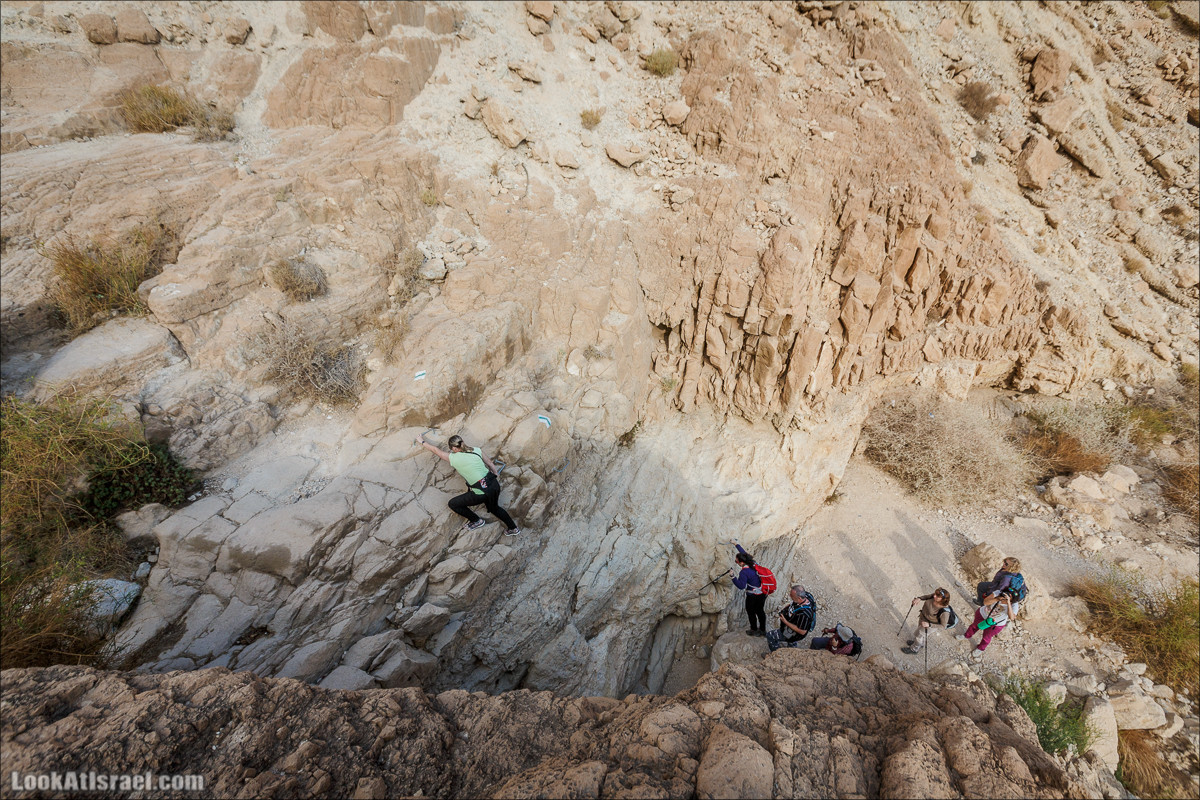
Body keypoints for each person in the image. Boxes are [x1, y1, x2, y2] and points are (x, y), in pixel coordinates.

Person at [415, 434, 520, 536]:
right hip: (494, 485)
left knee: (453, 504)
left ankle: (476, 520)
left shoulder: (454, 458)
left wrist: (422, 441)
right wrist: (495, 473)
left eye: (451, 449)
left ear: (454, 449)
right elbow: (490, 463)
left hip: (481, 493)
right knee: (495, 508)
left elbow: (435, 450)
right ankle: (513, 528)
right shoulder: (476, 450)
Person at [960, 591, 1018, 660]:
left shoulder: (1014, 605)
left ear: (1012, 599)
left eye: (1009, 596)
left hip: (995, 624)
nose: (1006, 595)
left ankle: (980, 648)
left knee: (987, 636)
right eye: (1007, 592)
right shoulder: (998, 593)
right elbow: (985, 602)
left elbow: (1012, 617)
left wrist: (1008, 603)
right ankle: (966, 635)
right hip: (983, 614)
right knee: (974, 626)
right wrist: (998, 599)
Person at [730, 543, 767, 636]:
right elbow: (744, 553)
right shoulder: (753, 563)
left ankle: (754, 629)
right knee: (760, 611)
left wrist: (732, 576)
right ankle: (763, 629)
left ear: (741, 563)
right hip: (763, 592)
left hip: (752, 595)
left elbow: (741, 586)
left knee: (750, 611)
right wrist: (736, 544)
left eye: (736, 561)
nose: (736, 562)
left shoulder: (744, 572)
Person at [766, 585, 816, 651]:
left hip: (792, 633)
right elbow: (794, 603)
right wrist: (787, 607)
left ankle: (775, 654)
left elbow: (802, 631)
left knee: (770, 636)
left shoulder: (804, 614)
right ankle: (792, 649)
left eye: (792, 596)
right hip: (792, 631)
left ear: (799, 598)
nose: (790, 596)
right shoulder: (807, 596)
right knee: (792, 642)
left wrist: (785, 622)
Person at [903, 587, 952, 655]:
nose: (934, 595)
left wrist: (929, 625)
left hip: (930, 626)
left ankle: (914, 649)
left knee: (919, 636)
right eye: (935, 594)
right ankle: (920, 644)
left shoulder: (944, 612)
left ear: (943, 599)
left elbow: (943, 626)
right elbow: (926, 597)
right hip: (923, 618)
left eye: (937, 596)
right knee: (920, 634)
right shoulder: (934, 596)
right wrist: (919, 598)